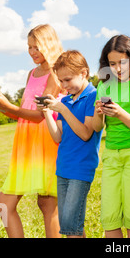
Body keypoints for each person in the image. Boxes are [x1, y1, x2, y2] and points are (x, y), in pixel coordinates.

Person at [0, 24, 63, 238]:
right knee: (3, 205)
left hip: (46, 143)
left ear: (49, 45)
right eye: (29, 47)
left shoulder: (56, 73)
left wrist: (9, 107)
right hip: (25, 146)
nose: (32, 52)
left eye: (36, 47)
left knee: (48, 204)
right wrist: (4, 109)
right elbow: (24, 113)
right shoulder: (32, 73)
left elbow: (42, 114)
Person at [92, 34, 130, 238]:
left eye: (122, 62)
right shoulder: (103, 85)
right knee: (109, 219)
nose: (117, 68)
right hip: (111, 156)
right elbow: (95, 127)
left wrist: (120, 112)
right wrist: (99, 112)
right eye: (112, 63)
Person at [38, 50, 102, 238]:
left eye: (68, 80)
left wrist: (64, 110)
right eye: (61, 81)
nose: (64, 86)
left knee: (71, 225)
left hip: (80, 170)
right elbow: (57, 137)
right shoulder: (65, 100)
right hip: (63, 168)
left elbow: (85, 133)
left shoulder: (93, 96)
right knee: (70, 226)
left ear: (84, 73)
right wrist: (47, 112)